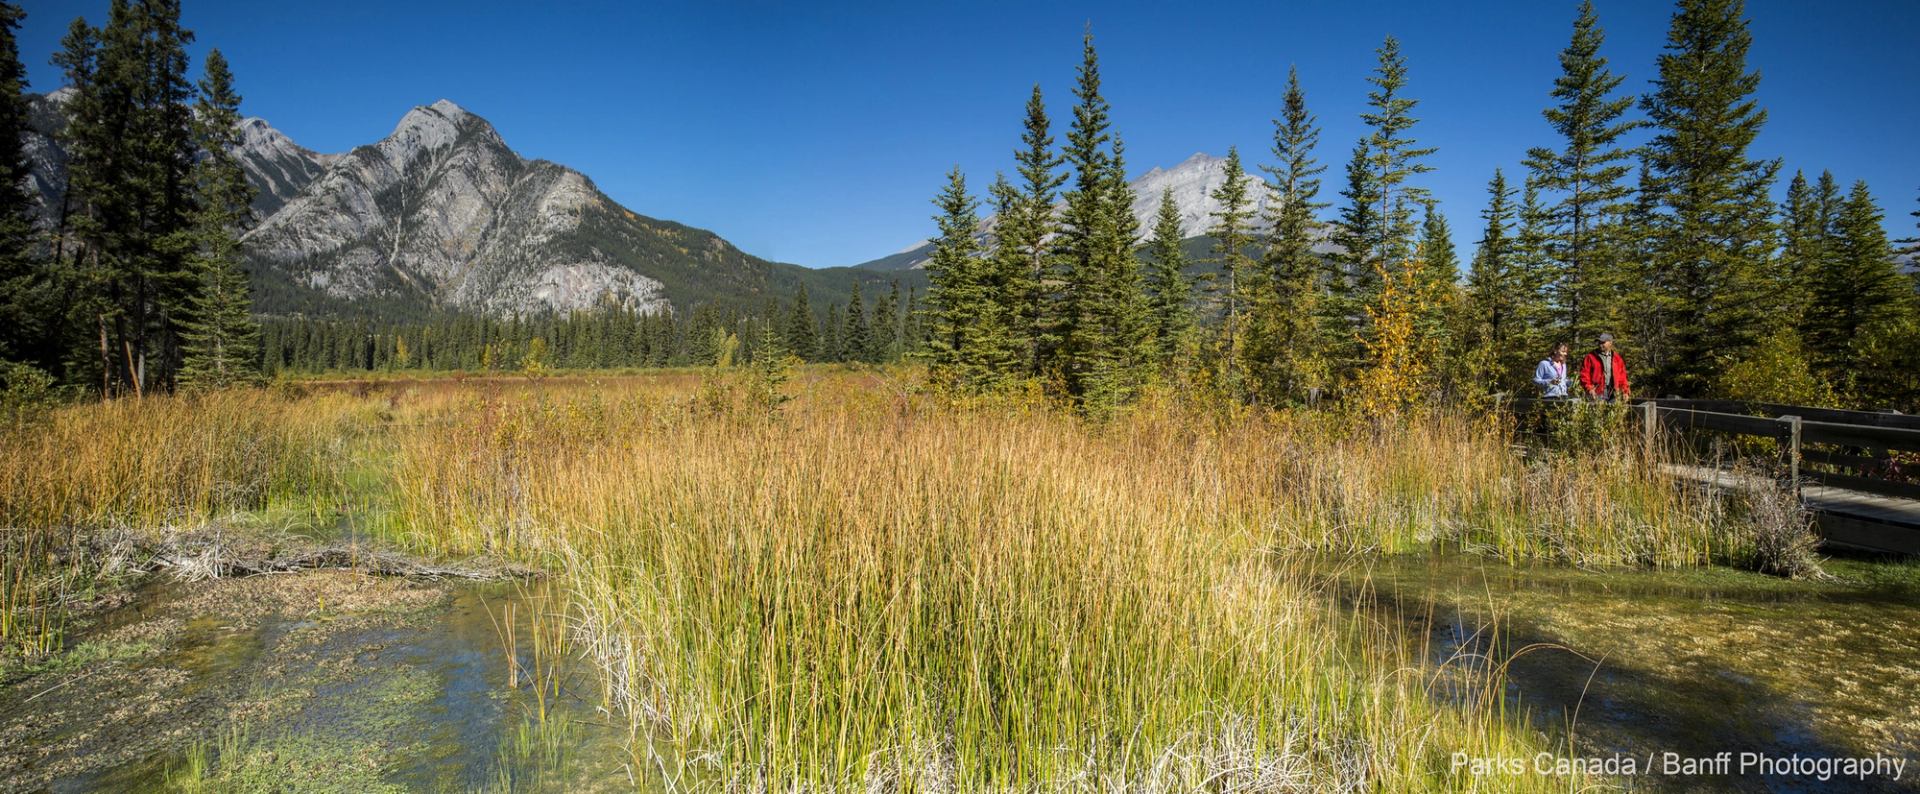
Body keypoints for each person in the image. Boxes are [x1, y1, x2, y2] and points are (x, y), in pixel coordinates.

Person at [1579, 333, 1630, 401]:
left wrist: (1625, 391)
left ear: (1610, 343)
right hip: (1596, 393)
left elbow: (1622, 377)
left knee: (1613, 411)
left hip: (1613, 393)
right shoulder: (1590, 357)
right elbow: (1584, 375)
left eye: (1603, 342)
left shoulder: (1617, 358)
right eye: (1599, 342)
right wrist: (1589, 388)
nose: (1600, 345)